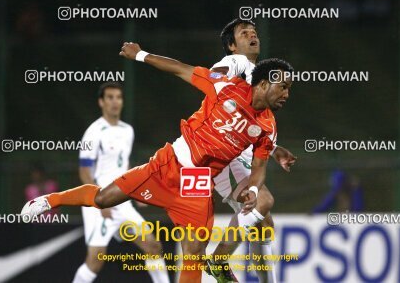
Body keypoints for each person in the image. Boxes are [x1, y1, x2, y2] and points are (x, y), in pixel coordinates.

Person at [22, 42, 293, 283]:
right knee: (104, 198)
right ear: (264, 84)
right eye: (283, 87)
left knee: (194, 252)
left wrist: (254, 191)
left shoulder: (267, 126)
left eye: (289, 89)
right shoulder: (225, 87)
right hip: (169, 165)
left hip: (198, 186)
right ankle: (50, 201)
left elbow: (258, 169)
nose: (286, 94)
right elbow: (179, 68)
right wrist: (140, 54)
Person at [206, 18, 296, 283]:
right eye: (243, 34)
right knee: (263, 203)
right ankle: (218, 259)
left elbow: (254, 129)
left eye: (254, 32)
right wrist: (219, 85)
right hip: (228, 156)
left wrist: (275, 150)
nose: (252, 35)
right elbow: (215, 74)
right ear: (232, 46)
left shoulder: (258, 80)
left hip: (239, 156)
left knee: (263, 227)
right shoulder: (237, 63)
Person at [73, 82, 169, 283]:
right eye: (110, 97)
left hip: (121, 200)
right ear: (101, 102)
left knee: (153, 246)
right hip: (98, 201)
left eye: (118, 97)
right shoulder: (94, 132)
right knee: (95, 260)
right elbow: (84, 171)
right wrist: (97, 201)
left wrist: (139, 191)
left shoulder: (128, 131)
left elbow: (123, 168)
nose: (115, 102)